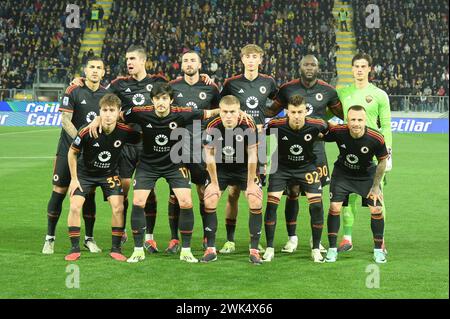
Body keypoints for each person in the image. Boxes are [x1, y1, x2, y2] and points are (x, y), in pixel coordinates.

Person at [89, 83, 223, 263]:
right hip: (148, 165)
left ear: (171, 100)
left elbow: (208, 113)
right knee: (138, 201)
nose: (161, 102)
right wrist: (98, 119)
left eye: (165, 98)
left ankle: (186, 250)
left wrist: (233, 111)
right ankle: (137, 250)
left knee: (186, 201)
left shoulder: (181, 112)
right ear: (152, 100)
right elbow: (116, 116)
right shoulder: (140, 112)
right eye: (157, 99)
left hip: (174, 163)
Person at [265, 54, 343, 254]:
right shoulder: (287, 88)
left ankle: (314, 240)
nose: (309, 67)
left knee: (316, 194)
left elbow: (342, 114)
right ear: (300, 67)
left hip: (316, 149)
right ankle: (292, 238)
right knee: (291, 193)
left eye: (313, 65)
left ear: (318, 68)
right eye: (306, 64)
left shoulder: (328, 91)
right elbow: (271, 112)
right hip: (288, 146)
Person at [42, 56, 107, 255]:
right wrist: (81, 139)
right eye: (91, 67)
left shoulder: (107, 94)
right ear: (85, 71)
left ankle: (89, 239)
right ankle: (49, 239)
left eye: (99, 68)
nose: (95, 71)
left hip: (90, 154)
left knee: (89, 194)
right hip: (67, 149)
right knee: (59, 191)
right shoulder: (73, 90)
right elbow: (65, 120)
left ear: (104, 72)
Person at [65, 93, 140, 262]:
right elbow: (72, 153)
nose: (107, 114)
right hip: (85, 174)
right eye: (104, 110)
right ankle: (74, 247)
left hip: (109, 174)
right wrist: (74, 178)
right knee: (75, 206)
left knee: (118, 207)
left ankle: (116, 248)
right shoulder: (87, 130)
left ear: (118, 112)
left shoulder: (125, 131)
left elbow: (142, 135)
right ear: (99, 111)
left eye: (112, 110)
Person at [218, 44, 278, 254]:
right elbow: (220, 105)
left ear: (260, 59)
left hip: (259, 140)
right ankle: (230, 240)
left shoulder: (268, 82)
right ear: (242, 59)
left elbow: (278, 102)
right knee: (233, 192)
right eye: (247, 57)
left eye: (255, 57)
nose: (251, 60)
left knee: (256, 192)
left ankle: (255, 240)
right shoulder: (231, 83)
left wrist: (265, 116)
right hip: (233, 140)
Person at [337, 53, 392, 253]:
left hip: (373, 153)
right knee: (347, 196)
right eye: (356, 66)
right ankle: (347, 238)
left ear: (370, 69)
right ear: (352, 69)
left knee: (376, 195)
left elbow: (386, 125)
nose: (359, 70)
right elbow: (326, 113)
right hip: (349, 152)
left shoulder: (379, 95)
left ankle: (381, 240)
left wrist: (388, 153)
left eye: (363, 66)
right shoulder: (342, 93)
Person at [166, 50, 221, 253]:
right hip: (178, 146)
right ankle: (174, 239)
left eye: (193, 60)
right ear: (181, 65)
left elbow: (219, 114)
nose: (189, 63)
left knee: (202, 193)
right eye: (185, 61)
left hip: (201, 148)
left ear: (200, 65)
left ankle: (207, 236)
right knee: (175, 194)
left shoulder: (211, 87)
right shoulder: (172, 87)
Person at [263, 95, 328, 263]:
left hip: (307, 168)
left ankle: (315, 248)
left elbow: (335, 132)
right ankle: (270, 248)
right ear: (286, 112)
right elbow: (256, 133)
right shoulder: (275, 125)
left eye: (300, 112)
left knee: (316, 205)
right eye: (293, 112)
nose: (297, 116)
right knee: (272, 204)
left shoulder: (317, 125)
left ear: (306, 111)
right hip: (281, 168)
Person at [322, 105, 388, 263]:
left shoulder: (376, 138)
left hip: (366, 176)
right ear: (347, 120)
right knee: (334, 207)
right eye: (352, 120)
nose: (356, 123)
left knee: (376, 208)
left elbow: (382, 161)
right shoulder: (339, 131)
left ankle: (379, 250)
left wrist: (376, 186)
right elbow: (320, 134)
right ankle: (332, 250)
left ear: (365, 120)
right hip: (342, 175)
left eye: (359, 120)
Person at [202, 95, 263, 264]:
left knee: (255, 200)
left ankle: (254, 250)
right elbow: (209, 155)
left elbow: (252, 155)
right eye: (225, 112)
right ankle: (211, 249)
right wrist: (214, 184)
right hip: (221, 167)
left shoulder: (248, 125)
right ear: (219, 112)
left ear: (239, 112)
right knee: (210, 199)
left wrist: (251, 184)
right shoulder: (212, 125)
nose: (228, 115)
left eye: (232, 112)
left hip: (244, 167)